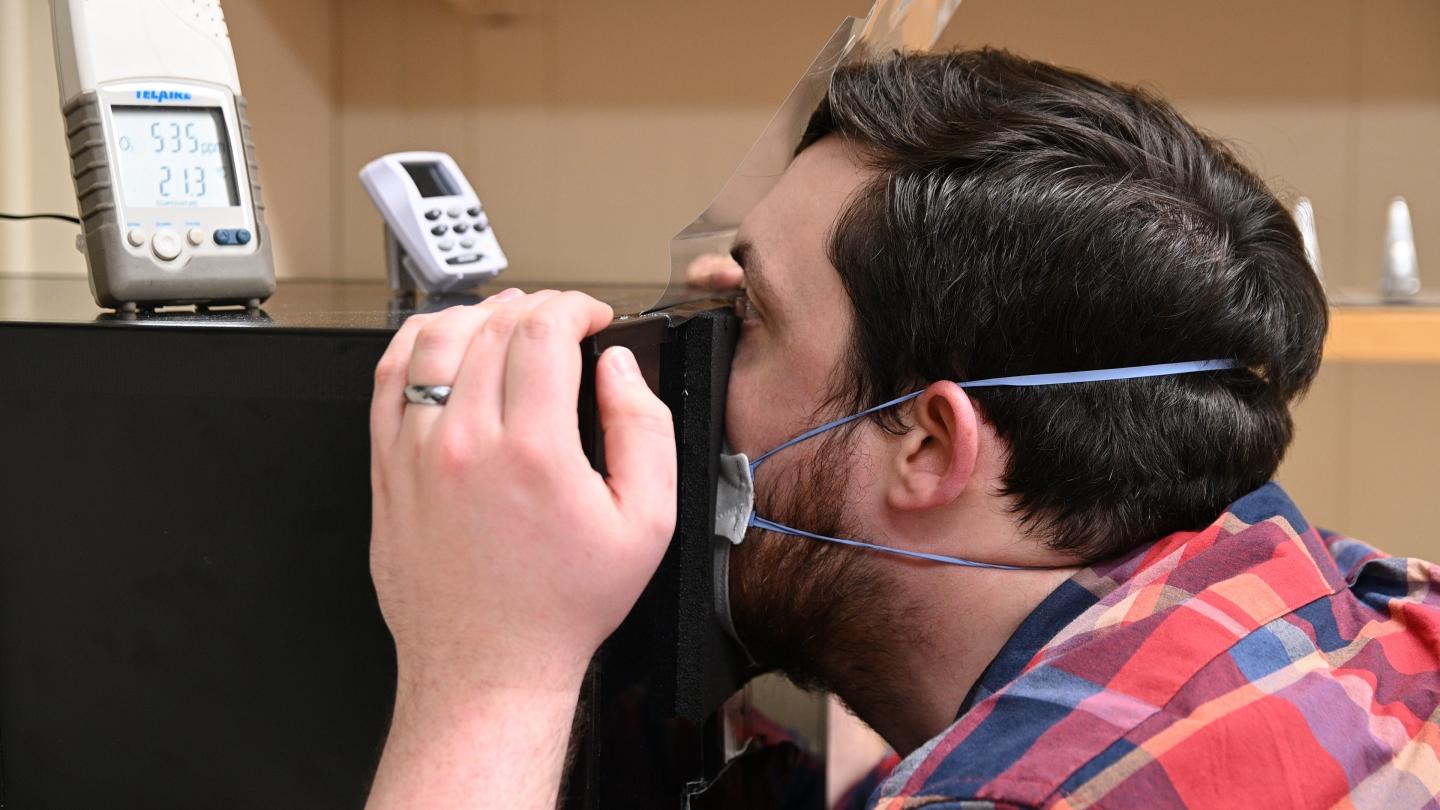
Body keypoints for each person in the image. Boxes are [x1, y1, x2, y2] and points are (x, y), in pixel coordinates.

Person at [363, 49, 1440, 809]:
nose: (693, 364)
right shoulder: (1348, 611)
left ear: (926, 444)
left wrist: (491, 678)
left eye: (748, 322)